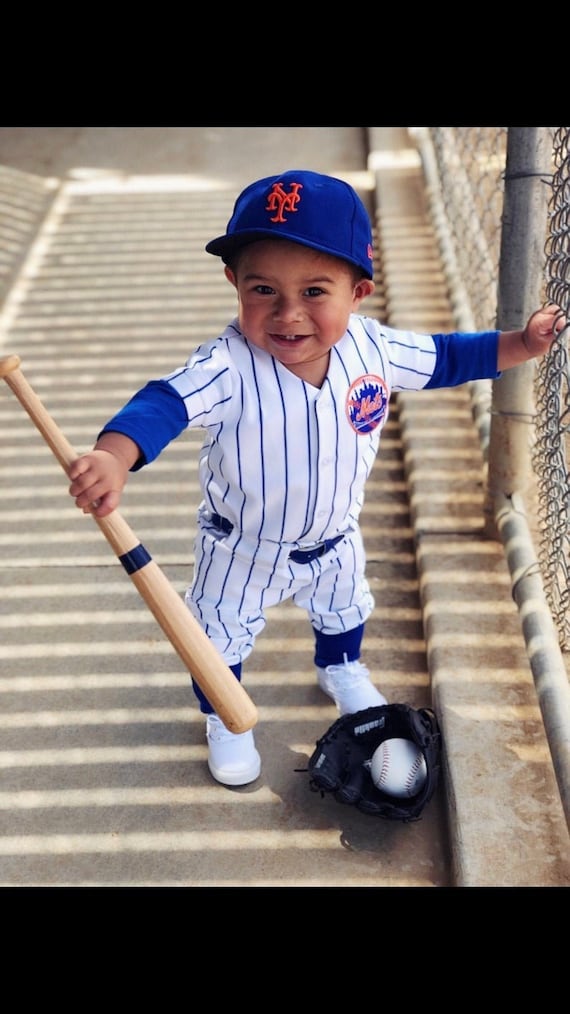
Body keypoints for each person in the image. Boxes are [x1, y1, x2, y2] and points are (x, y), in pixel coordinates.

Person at [67, 169, 564, 788]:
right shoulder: (227, 364)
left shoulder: (372, 349)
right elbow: (162, 403)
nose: (288, 314)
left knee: (345, 605)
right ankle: (227, 717)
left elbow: (449, 357)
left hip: (333, 537)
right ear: (234, 283)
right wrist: (115, 455)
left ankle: (341, 668)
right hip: (241, 546)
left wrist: (520, 342)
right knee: (217, 639)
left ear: (359, 292)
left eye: (315, 291)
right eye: (264, 290)